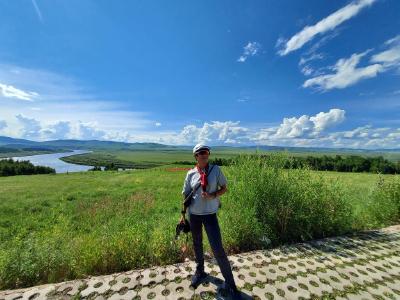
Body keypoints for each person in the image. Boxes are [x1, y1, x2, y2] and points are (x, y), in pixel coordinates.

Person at [181, 143, 242, 299]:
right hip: (194, 215)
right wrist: (183, 215)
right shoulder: (190, 174)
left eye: (207, 152)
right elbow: (186, 196)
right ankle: (200, 271)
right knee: (197, 243)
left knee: (217, 248)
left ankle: (230, 282)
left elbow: (225, 188)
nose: (205, 154)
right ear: (196, 156)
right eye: (201, 152)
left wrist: (213, 195)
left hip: (210, 215)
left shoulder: (216, 170)